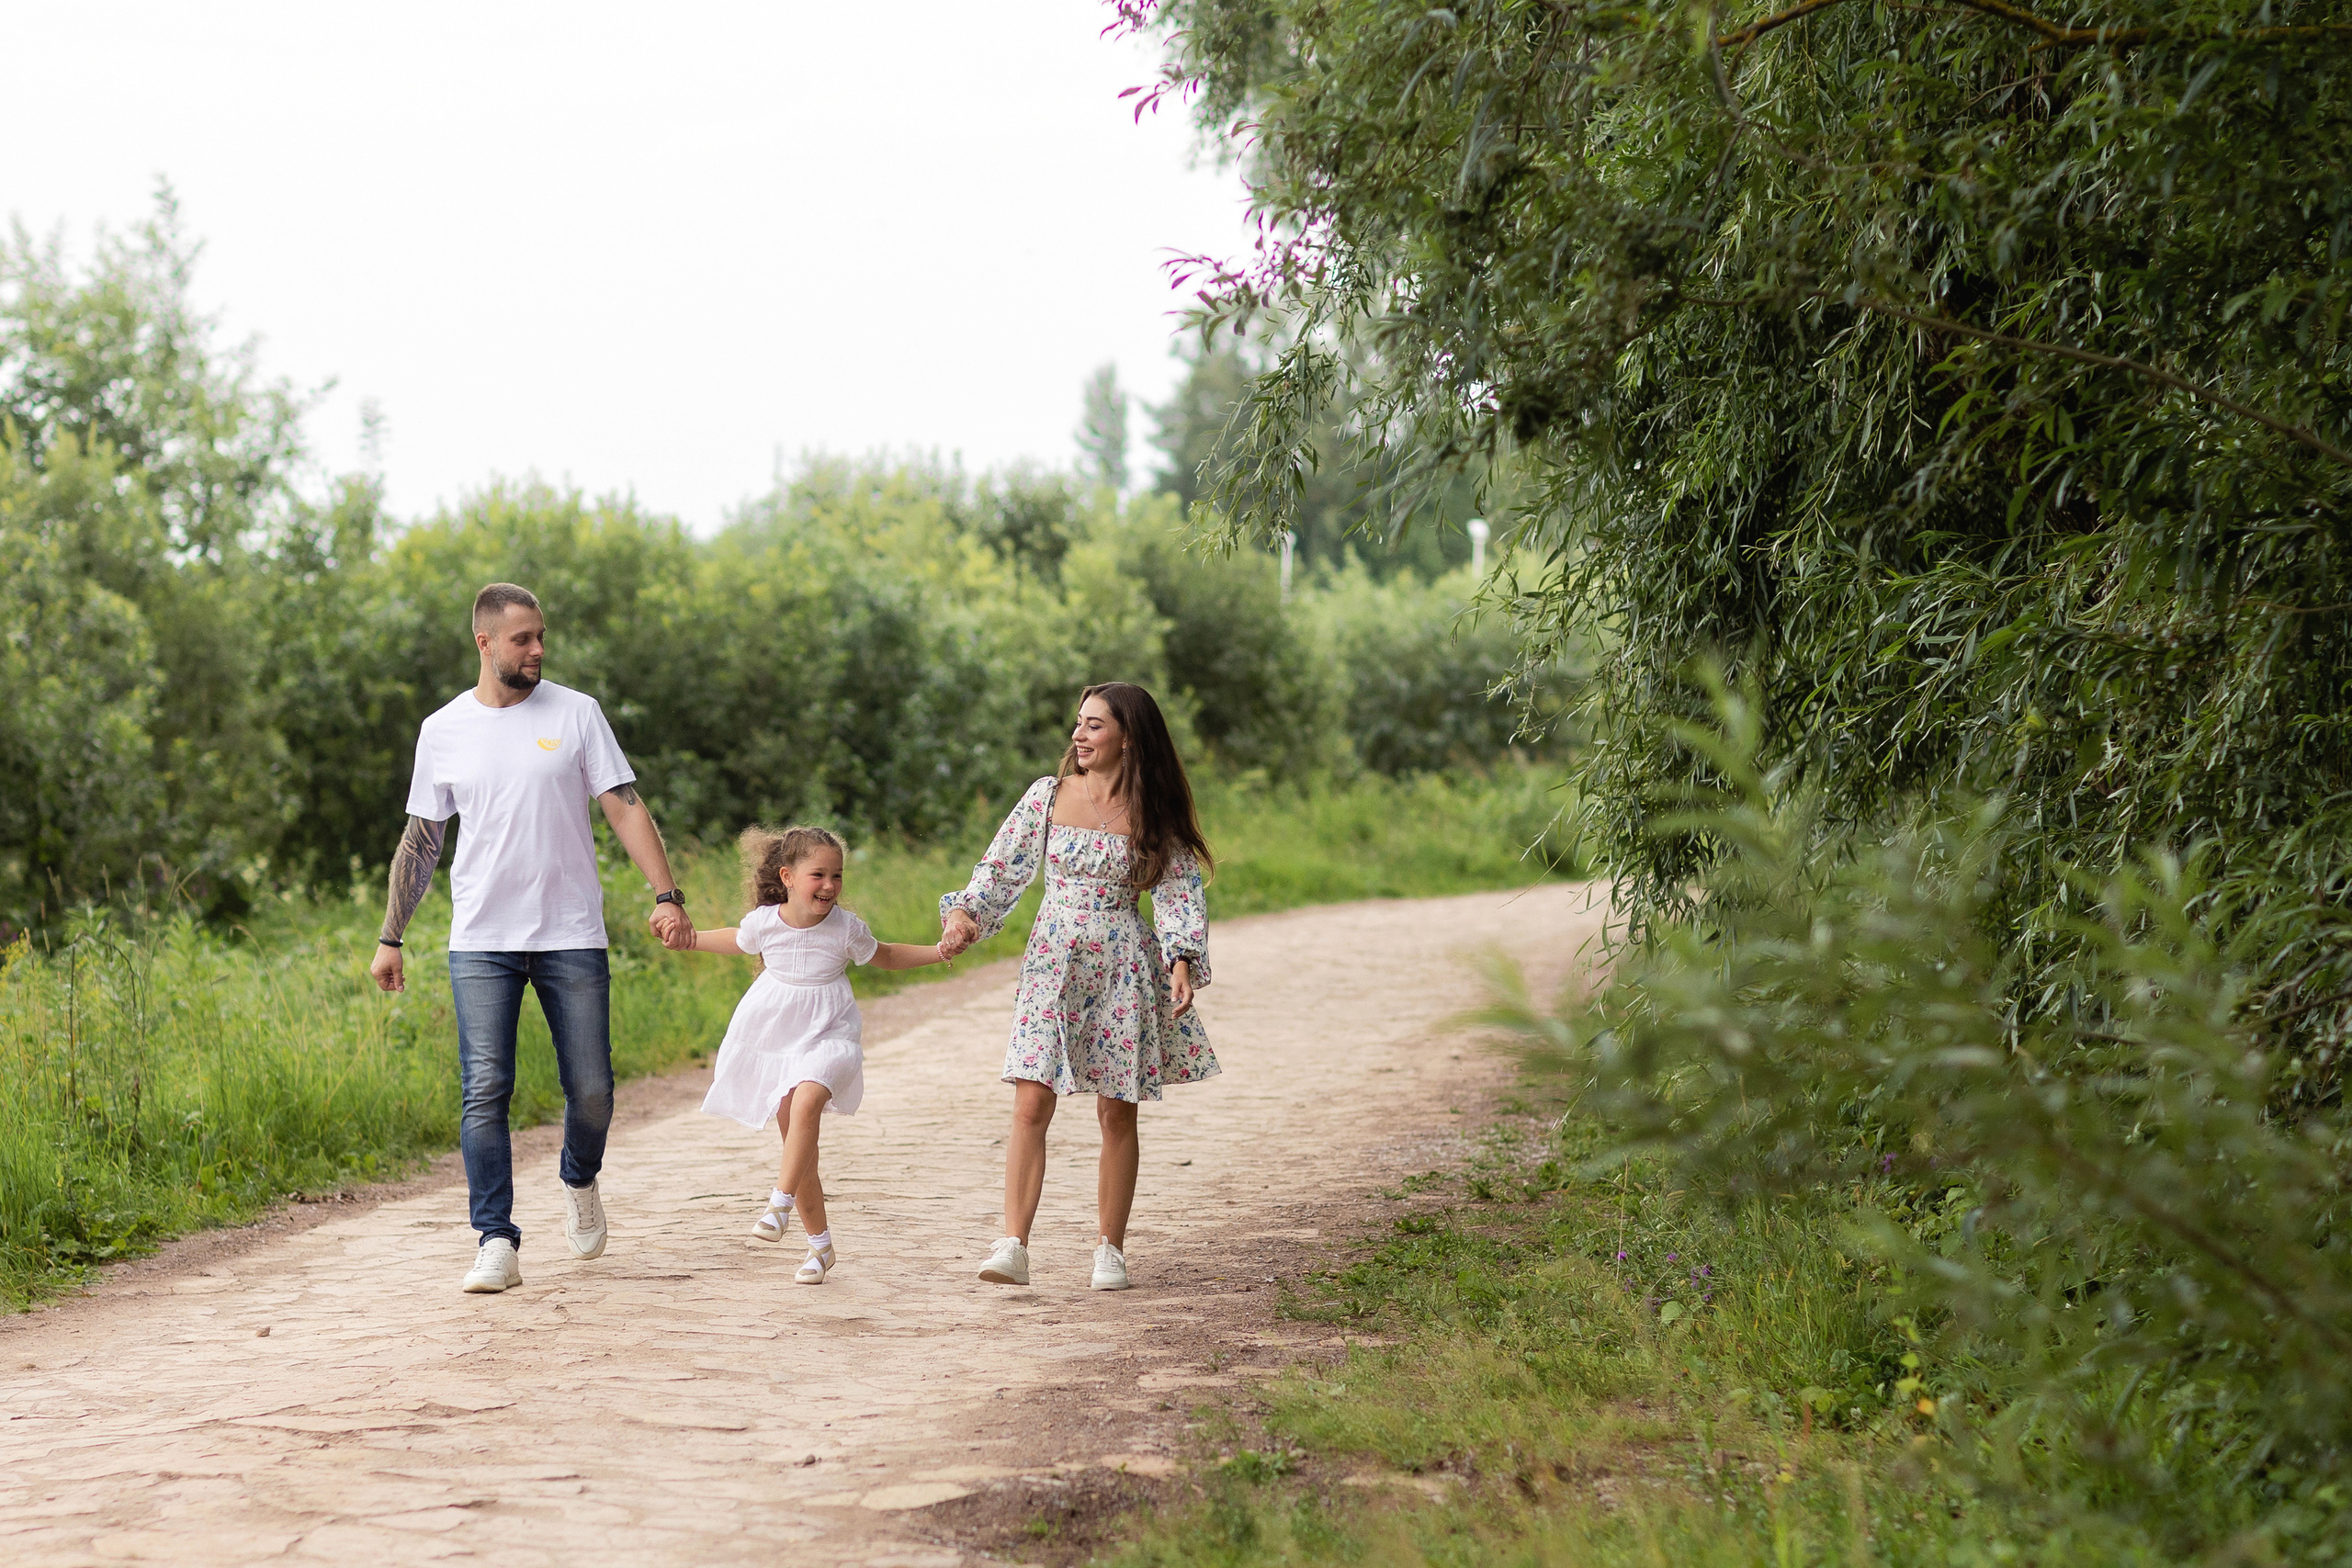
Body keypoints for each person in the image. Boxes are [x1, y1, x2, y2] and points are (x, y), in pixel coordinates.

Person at [369, 582, 695, 1294]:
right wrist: (391, 935)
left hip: (570, 930)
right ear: (485, 643)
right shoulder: (444, 728)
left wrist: (666, 894)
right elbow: (422, 840)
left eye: (541, 635)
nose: (538, 649)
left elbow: (624, 806)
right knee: (485, 1087)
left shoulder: (577, 713)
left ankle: (579, 1176)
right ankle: (496, 1239)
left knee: (592, 1090)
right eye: (523, 639)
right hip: (481, 936)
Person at [938, 681, 1216, 1292]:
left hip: (1120, 963)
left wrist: (1180, 958)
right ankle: (1013, 1242)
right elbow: (999, 869)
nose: (1078, 735)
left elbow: (1177, 890)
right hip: (1052, 961)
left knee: (1117, 1112)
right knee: (1031, 1099)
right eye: (1078, 723)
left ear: (1128, 736)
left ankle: (1109, 1248)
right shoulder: (1048, 795)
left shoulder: (1151, 810)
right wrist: (966, 916)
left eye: (1094, 725)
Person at [674, 826, 944, 1283]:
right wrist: (687, 937)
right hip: (777, 1038)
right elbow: (733, 939)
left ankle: (778, 1205)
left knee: (806, 1103)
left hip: (831, 1035)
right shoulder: (765, 922)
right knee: (802, 1154)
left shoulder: (846, 929)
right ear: (789, 877)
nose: (830, 886)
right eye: (818, 874)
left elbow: (889, 955)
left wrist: (939, 951)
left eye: (837, 876)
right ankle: (820, 1248)